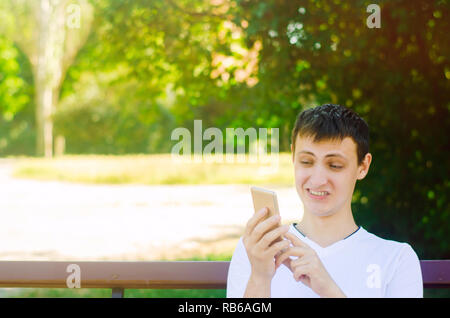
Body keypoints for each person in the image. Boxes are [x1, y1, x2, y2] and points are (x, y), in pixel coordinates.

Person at [226, 104, 423, 298]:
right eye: (306, 162)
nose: (318, 180)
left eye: (335, 165)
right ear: (293, 156)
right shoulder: (256, 250)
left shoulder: (396, 259)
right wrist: (260, 277)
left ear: (363, 166)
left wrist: (329, 290)